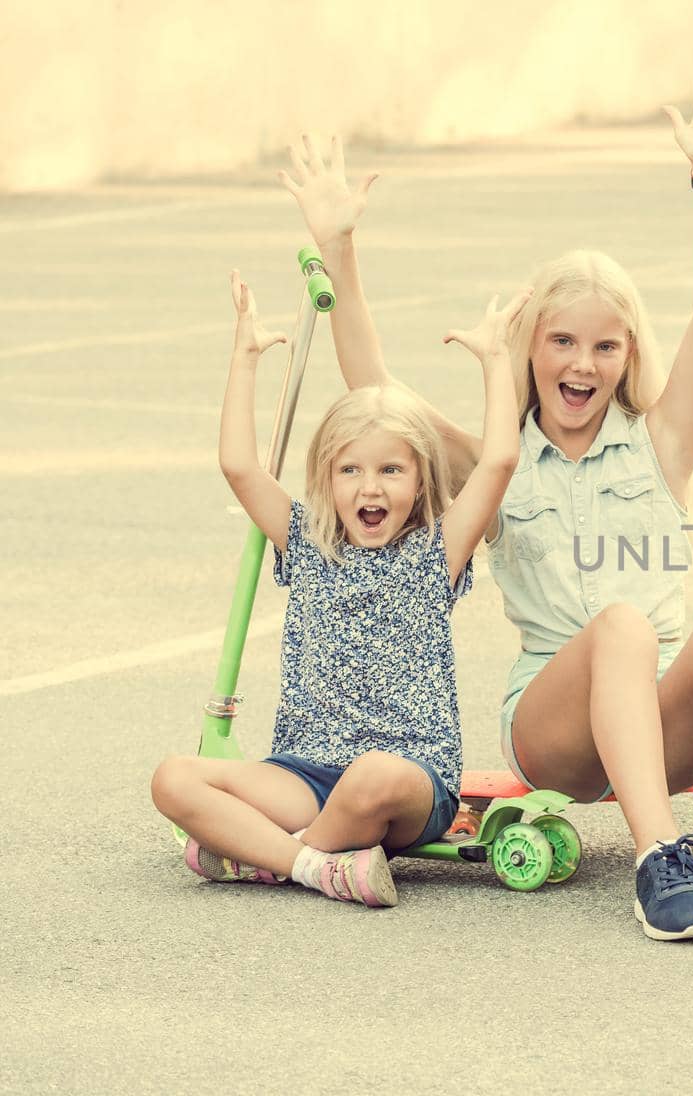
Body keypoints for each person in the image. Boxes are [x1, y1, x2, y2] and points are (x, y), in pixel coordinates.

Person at [279, 71, 693, 941]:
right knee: (620, 628)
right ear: (529, 348)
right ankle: (657, 860)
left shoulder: (660, 442)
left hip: (663, 716)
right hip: (554, 729)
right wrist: (338, 249)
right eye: (562, 341)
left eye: (605, 345)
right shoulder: (496, 461)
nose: (583, 362)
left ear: (626, 353)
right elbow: (373, 386)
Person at [150, 270, 525, 908]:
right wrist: (244, 361)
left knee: (371, 776)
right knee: (173, 779)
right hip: (302, 773)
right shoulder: (306, 540)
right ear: (326, 478)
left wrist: (495, 363)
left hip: (405, 782)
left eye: (390, 470)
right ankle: (312, 864)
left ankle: (261, 855)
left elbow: (499, 461)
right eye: (349, 469)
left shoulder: (436, 549)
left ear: (419, 478)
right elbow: (240, 465)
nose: (369, 488)